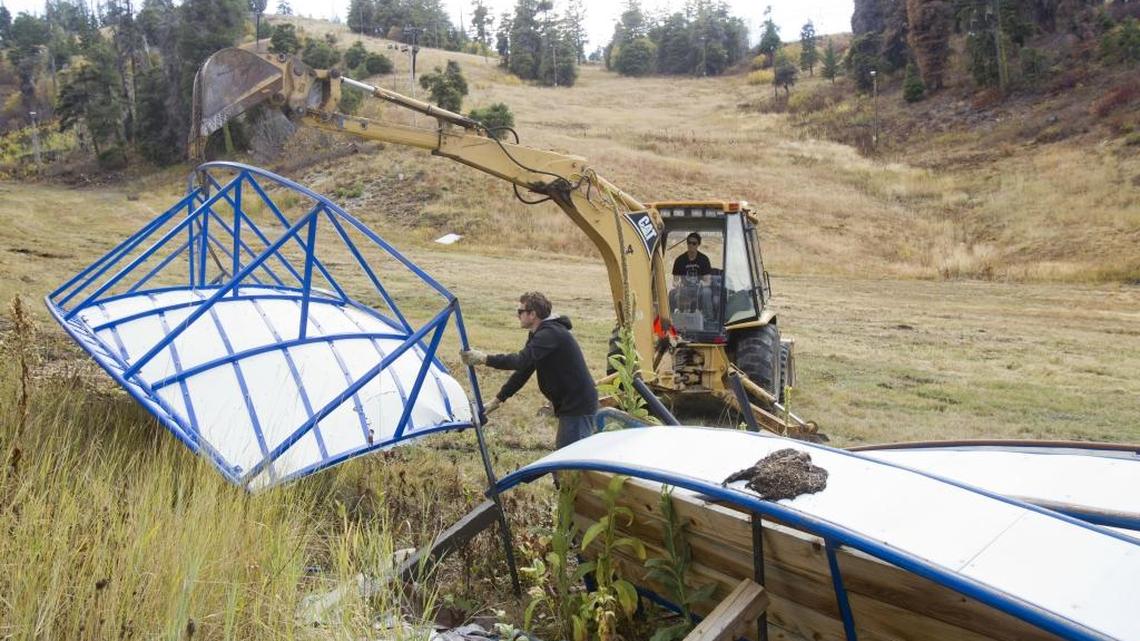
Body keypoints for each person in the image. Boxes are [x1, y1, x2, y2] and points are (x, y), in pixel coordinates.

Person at [460, 291, 599, 449]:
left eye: (520, 311)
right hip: (571, 404)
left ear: (532, 314)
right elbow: (524, 370)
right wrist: (498, 400)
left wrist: (484, 358)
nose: (517, 315)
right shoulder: (539, 335)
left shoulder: (550, 334)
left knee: (569, 465)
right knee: (568, 461)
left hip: (578, 405)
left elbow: (520, 361)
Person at [670, 232, 713, 320]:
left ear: (698, 244)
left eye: (694, 243)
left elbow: (708, 282)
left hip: (699, 289)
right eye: (689, 242)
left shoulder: (704, 259)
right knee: (672, 293)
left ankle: (709, 319)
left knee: (707, 292)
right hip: (685, 288)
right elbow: (675, 280)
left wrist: (702, 283)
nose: (691, 245)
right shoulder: (679, 260)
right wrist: (677, 284)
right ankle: (670, 319)